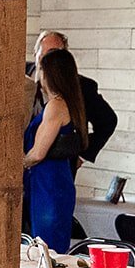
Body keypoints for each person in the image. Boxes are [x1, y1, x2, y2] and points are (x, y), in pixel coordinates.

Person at [24, 47, 86, 252]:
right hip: (54, 181)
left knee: (46, 248)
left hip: (49, 184)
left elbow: (38, 152)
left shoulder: (56, 106)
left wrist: (13, 166)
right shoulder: (69, 103)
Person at [30, 30, 117, 166]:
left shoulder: (83, 87)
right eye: (44, 54)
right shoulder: (19, 77)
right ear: (35, 53)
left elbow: (108, 121)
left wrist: (83, 155)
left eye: (54, 54)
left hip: (58, 167)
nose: (48, 60)